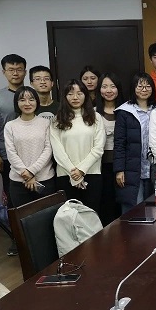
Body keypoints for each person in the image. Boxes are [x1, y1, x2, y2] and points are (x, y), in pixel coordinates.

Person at [0, 54, 26, 256]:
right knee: (13, 198)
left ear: (25, 71)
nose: (15, 73)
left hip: (35, 156)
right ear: (4, 72)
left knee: (38, 196)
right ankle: (16, 239)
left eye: (19, 69)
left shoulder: (31, 94)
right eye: (11, 69)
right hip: (8, 156)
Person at [50, 80, 105, 213]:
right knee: (69, 217)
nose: (75, 97)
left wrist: (81, 170)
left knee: (91, 215)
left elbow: (98, 148)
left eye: (79, 93)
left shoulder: (96, 117)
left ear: (85, 95)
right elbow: (57, 150)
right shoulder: (56, 120)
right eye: (70, 94)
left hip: (91, 173)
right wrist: (73, 172)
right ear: (65, 97)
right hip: (65, 175)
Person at [4, 86, 56, 207]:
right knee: (22, 217)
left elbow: (48, 149)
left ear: (37, 102)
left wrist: (31, 171)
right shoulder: (10, 126)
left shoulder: (46, 123)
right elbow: (11, 152)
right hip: (18, 181)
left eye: (31, 99)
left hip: (44, 179)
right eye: (22, 100)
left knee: (46, 216)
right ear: (16, 103)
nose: (27, 103)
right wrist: (25, 174)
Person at [114, 72, 156, 214]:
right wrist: (119, 169)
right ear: (133, 88)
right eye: (140, 86)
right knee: (133, 209)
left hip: (153, 168)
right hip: (131, 168)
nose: (144, 90)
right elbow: (119, 143)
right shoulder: (125, 111)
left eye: (148, 86)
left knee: (153, 209)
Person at [95, 73, 124, 225]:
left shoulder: (126, 111)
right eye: (104, 86)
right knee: (105, 203)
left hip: (122, 165)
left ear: (118, 89)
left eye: (113, 86)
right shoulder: (93, 112)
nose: (109, 90)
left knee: (121, 203)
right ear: (99, 90)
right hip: (100, 165)